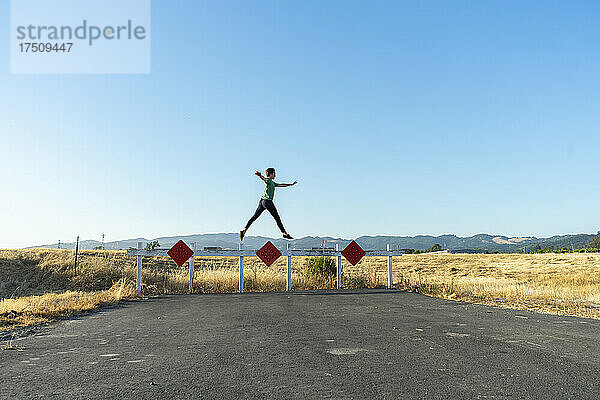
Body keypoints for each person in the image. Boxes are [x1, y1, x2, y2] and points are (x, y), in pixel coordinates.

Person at [240, 167, 297, 241]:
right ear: (271, 174)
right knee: (277, 217)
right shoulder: (269, 181)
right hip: (268, 202)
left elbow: (282, 185)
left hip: (262, 201)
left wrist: (290, 184)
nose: (275, 175)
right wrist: (260, 176)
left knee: (254, 216)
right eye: (274, 173)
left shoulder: (273, 183)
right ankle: (284, 233)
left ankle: (244, 231)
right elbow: (265, 179)